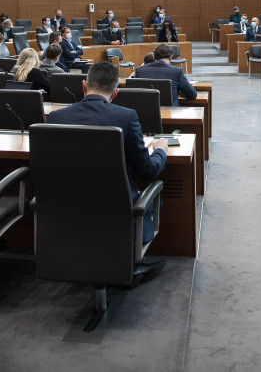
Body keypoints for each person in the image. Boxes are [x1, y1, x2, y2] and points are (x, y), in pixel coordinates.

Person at [47, 61, 168, 274]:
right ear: (116, 92)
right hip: (117, 209)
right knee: (155, 192)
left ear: (84, 86)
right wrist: (160, 150)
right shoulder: (126, 117)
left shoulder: (56, 117)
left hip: (67, 209)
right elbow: (147, 171)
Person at [133, 43, 197, 107]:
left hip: (146, 113)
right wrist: (179, 93)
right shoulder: (176, 71)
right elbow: (192, 94)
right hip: (170, 113)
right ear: (171, 57)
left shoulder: (139, 70)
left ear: (153, 57)